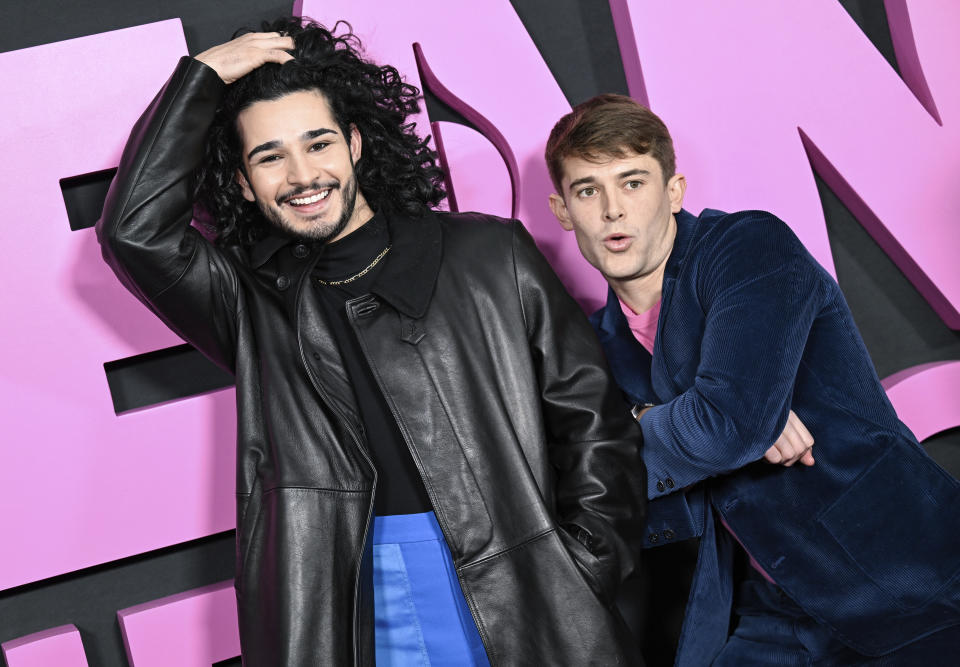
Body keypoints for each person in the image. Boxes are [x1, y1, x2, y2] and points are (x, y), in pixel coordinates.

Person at [97, 18, 646, 667]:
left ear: (355, 143)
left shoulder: (491, 255)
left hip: (524, 580)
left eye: (318, 143)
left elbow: (595, 426)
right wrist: (205, 77)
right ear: (243, 181)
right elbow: (135, 232)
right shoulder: (251, 303)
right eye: (270, 156)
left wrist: (584, 562)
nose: (303, 174)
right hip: (352, 602)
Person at [546, 94, 960, 665]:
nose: (613, 209)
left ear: (673, 192)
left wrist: (705, 423)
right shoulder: (592, 343)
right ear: (563, 210)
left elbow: (724, 429)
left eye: (633, 182)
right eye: (588, 189)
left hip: (904, 576)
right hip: (766, 606)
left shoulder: (746, 250)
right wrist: (708, 417)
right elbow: (588, 481)